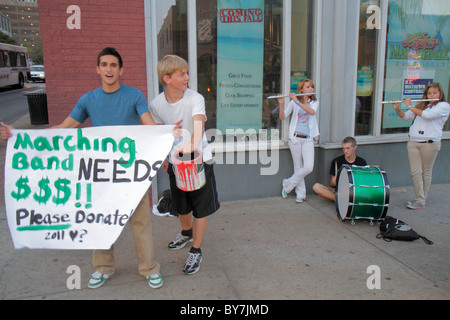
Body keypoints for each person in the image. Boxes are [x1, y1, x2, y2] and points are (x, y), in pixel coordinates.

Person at [1, 47, 167, 290]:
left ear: (121, 70)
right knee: (101, 222)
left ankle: (149, 268)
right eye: (104, 64)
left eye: (113, 65)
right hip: (100, 174)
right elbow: (65, 127)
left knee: (141, 223)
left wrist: (165, 136)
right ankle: (104, 268)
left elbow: (149, 126)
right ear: (97, 69)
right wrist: (21, 135)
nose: (109, 69)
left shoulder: (134, 96)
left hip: (132, 174)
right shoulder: (88, 99)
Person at [149, 55, 220, 275]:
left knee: (200, 207)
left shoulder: (195, 98)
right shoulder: (156, 104)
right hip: (175, 163)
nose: (188, 78)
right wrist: (163, 157)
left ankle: (196, 250)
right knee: (181, 207)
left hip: (199, 159)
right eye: (183, 74)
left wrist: (189, 146)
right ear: (167, 78)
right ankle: (186, 233)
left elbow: (199, 126)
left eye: (187, 73)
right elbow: (159, 133)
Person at [392, 82, 450, 210]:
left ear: (440, 94)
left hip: (430, 144)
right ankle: (419, 198)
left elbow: (428, 116)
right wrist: (397, 108)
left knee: (426, 172)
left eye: (435, 92)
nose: (432, 95)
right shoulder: (423, 105)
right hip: (413, 142)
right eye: (429, 93)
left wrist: (409, 105)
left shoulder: (444, 106)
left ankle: (420, 200)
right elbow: (405, 116)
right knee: (415, 172)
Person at [278, 79, 319, 203]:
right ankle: (300, 194)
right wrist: (281, 104)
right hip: (295, 138)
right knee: (298, 166)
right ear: (301, 89)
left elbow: (311, 112)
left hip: (308, 139)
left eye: (312, 87)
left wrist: (297, 102)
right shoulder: (294, 102)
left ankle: (288, 185)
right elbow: (283, 116)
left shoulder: (314, 102)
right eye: (308, 87)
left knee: (308, 167)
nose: (311, 89)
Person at [313, 137, 367, 201]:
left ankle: (342, 200)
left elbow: (364, 182)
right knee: (316, 187)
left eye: (348, 148)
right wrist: (334, 180)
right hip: (339, 190)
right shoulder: (337, 161)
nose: (345, 151)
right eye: (343, 148)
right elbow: (332, 184)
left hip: (355, 190)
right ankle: (339, 200)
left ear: (354, 148)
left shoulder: (361, 162)